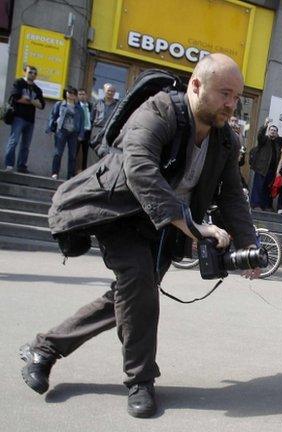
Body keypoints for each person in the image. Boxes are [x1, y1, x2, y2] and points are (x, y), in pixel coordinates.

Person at [19, 53, 260, 418]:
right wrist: (192, 225)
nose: (231, 104)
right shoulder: (159, 109)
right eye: (225, 93)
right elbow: (139, 169)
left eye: (236, 97)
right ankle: (140, 380)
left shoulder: (225, 140)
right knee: (138, 287)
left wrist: (249, 245)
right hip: (119, 213)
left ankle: (44, 348)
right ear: (196, 85)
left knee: (129, 298)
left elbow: (230, 194)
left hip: (165, 229)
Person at [4, 65, 45, 173]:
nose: (33, 75)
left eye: (35, 73)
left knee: (26, 145)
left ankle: (22, 167)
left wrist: (29, 100)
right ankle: (9, 165)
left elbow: (42, 105)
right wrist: (33, 102)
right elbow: (16, 98)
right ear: (24, 72)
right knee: (14, 141)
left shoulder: (37, 89)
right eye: (30, 72)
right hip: (18, 117)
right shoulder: (19, 83)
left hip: (30, 120)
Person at [46, 87, 85, 180]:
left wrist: (81, 134)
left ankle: (70, 175)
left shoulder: (79, 108)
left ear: (76, 96)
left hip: (74, 133)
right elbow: (53, 116)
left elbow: (82, 122)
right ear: (66, 93)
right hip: (61, 131)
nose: (71, 94)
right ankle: (55, 173)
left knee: (72, 155)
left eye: (73, 93)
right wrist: (50, 129)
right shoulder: (60, 104)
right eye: (69, 92)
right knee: (58, 153)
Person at [249, 118, 282, 210]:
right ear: (268, 131)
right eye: (271, 130)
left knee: (267, 189)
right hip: (262, 168)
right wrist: (265, 125)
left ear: (276, 133)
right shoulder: (264, 140)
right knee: (258, 187)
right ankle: (255, 205)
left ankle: (264, 205)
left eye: (275, 131)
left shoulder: (277, 144)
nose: (273, 132)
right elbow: (260, 135)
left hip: (271, 170)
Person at [76, 89, 94, 172]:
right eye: (80, 94)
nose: (82, 96)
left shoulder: (91, 106)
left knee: (85, 153)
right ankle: (72, 172)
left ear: (86, 95)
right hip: (78, 132)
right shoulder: (76, 106)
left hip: (87, 132)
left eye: (83, 94)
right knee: (75, 152)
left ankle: (84, 171)